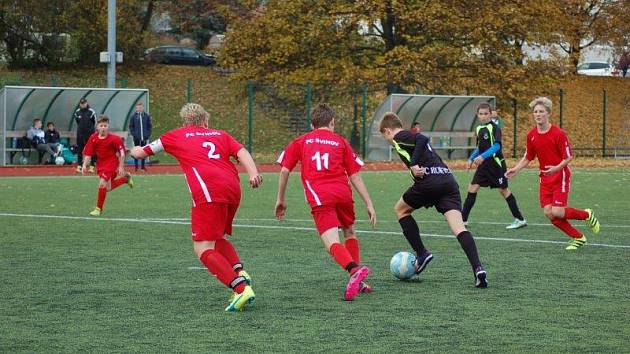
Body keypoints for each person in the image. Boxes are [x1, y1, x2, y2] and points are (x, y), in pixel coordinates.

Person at [131, 103, 262, 312]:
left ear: (185, 122)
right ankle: (239, 272)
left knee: (202, 247)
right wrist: (253, 173)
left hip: (208, 190)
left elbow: (140, 153)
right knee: (217, 237)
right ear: (205, 121)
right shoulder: (220, 134)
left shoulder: (176, 135)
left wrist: (132, 147)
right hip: (232, 188)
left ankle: (240, 288)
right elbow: (242, 152)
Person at [275, 103, 376, 301]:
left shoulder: (301, 141)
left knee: (331, 243)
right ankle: (358, 280)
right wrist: (369, 203)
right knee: (349, 231)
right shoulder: (340, 141)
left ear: (312, 125)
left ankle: (354, 271)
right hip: (343, 193)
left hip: (321, 196)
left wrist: (281, 199)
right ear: (332, 122)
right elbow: (354, 175)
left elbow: (285, 170)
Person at [379, 112, 487, 288]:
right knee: (459, 228)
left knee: (400, 210)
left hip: (429, 182)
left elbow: (422, 138)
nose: (388, 140)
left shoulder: (399, 136)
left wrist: (414, 165)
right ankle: (478, 270)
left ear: (387, 130)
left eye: (385, 136)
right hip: (447, 180)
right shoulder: (405, 138)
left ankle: (421, 253)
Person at [505, 97, 600, 250]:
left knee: (557, 211)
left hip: (560, 176)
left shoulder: (558, 133)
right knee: (549, 213)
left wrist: (556, 168)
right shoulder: (532, 135)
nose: (538, 114)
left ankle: (587, 215)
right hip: (545, 179)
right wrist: (515, 169)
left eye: (541, 111)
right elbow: (528, 156)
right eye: (535, 112)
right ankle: (578, 238)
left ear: (548, 113)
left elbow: (568, 156)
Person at [462, 103, 526, 229]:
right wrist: (471, 158)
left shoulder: (495, 128)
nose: (483, 116)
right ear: (477, 115)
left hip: (496, 165)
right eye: (481, 114)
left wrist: (482, 157)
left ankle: (519, 219)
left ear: (491, 114)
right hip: (484, 166)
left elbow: (497, 146)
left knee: (503, 190)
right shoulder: (479, 129)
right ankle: (463, 220)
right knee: (472, 188)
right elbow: (480, 147)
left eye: (486, 113)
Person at [82, 115, 133, 216]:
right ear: (97, 127)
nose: (103, 128)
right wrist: (84, 165)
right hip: (101, 164)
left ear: (108, 126)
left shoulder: (114, 139)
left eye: (105, 126)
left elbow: (122, 153)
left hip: (111, 163)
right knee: (107, 188)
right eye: (101, 126)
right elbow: (88, 153)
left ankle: (98, 209)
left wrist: (121, 166)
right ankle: (125, 179)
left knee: (102, 184)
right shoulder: (93, 138)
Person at [128, 101, 153, 172]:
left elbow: (149, 126)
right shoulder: (133, 117)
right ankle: (136, 167)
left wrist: (147, 134)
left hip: (144, 138)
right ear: (136, 108)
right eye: (138, 107)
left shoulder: (146, 116)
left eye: (141, 107)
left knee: (143, 152)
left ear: (143, 108)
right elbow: (131, 126)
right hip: (136, 138)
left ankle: (142, 166)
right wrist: (134, 134)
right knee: (136, 152)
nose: (139, 108)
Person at [74, 98, 97, 173]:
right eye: (81, 103)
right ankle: (79, 166)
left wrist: (90, 130)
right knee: (80, 150)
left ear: (86, 103)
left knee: (92, 150)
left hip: (90, 134)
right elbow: (77, 121)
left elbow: (94, 122)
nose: (83, 105)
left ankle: (92, 166)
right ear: (80, 104)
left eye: (84, 103)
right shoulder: (77, 112)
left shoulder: (91, 112)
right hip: (80, 134)